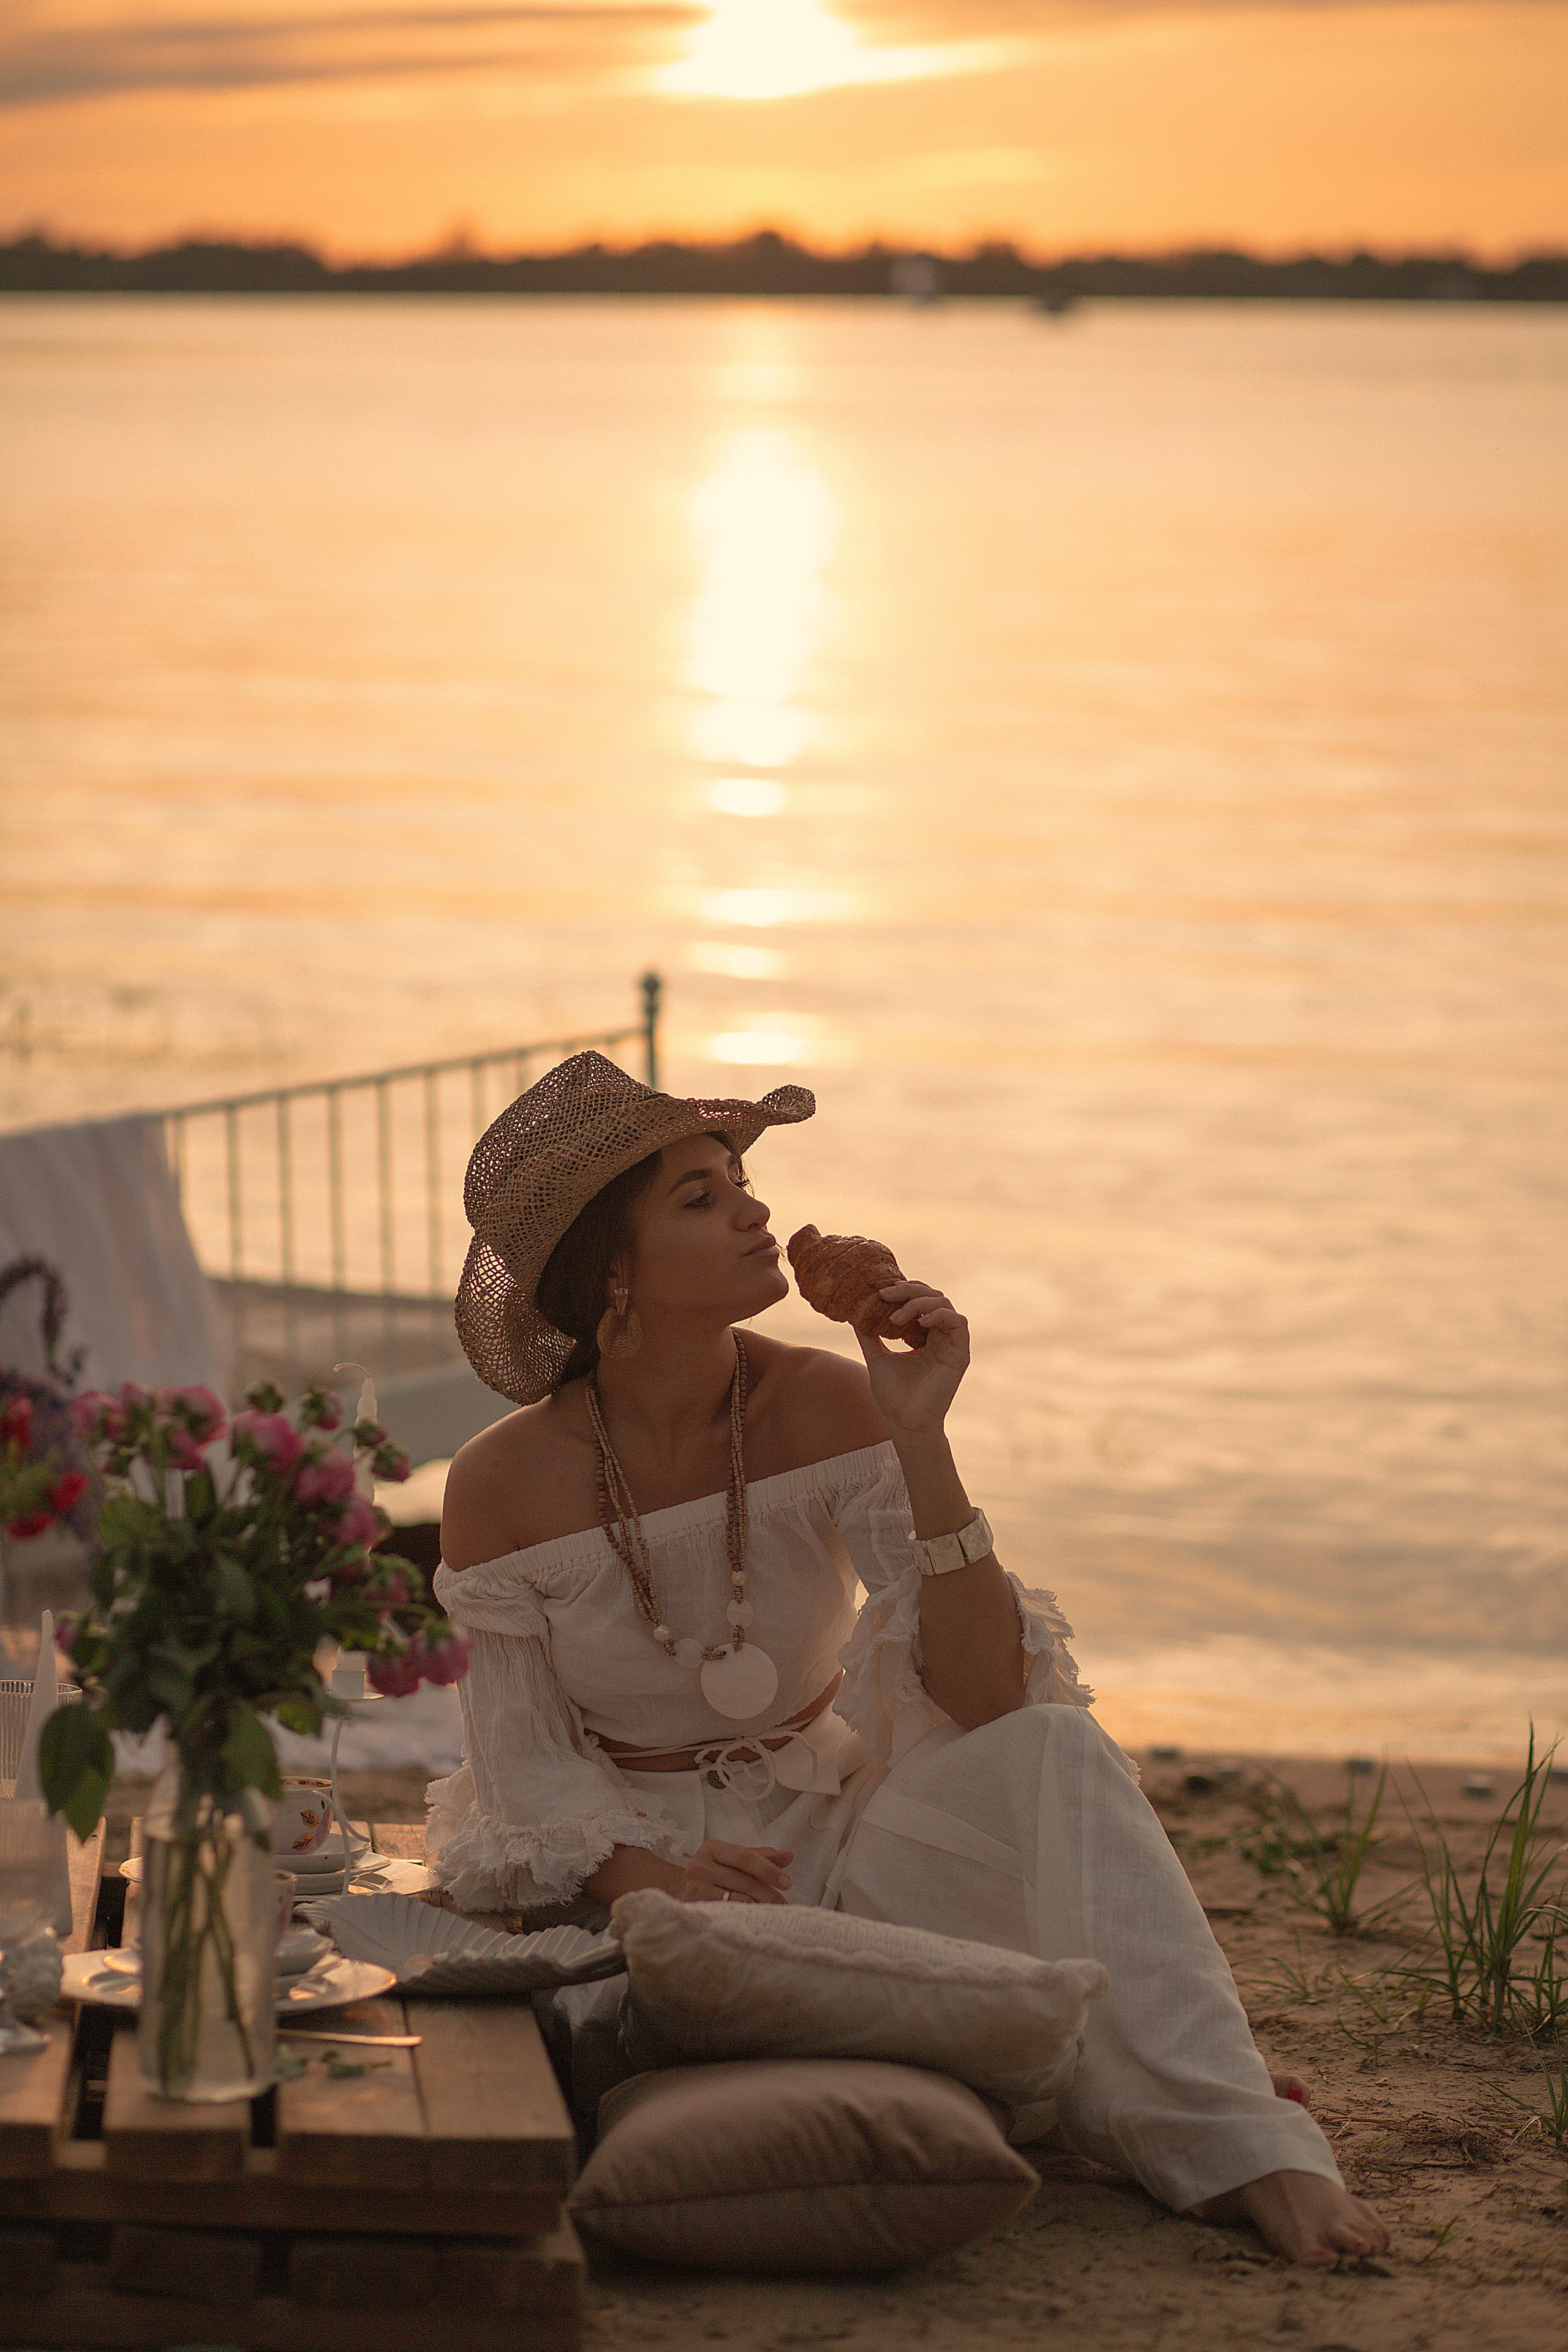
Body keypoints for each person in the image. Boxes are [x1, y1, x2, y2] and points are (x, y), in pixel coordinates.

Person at [430, 1050, 1387, 2268]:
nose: (753, 1210)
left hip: (842, 1841)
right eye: (699, 1197)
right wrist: (645, 1874)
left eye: (738, 1180)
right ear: (609, 1269)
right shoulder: (502, 1482)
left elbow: (984, 1699)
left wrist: (920, 1436)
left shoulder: (824, 1405)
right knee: (680, 1971)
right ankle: (1049, 2046)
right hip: (647, 1890)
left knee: (1050, 1747)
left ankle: (1251, 2153)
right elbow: (517, 1765)